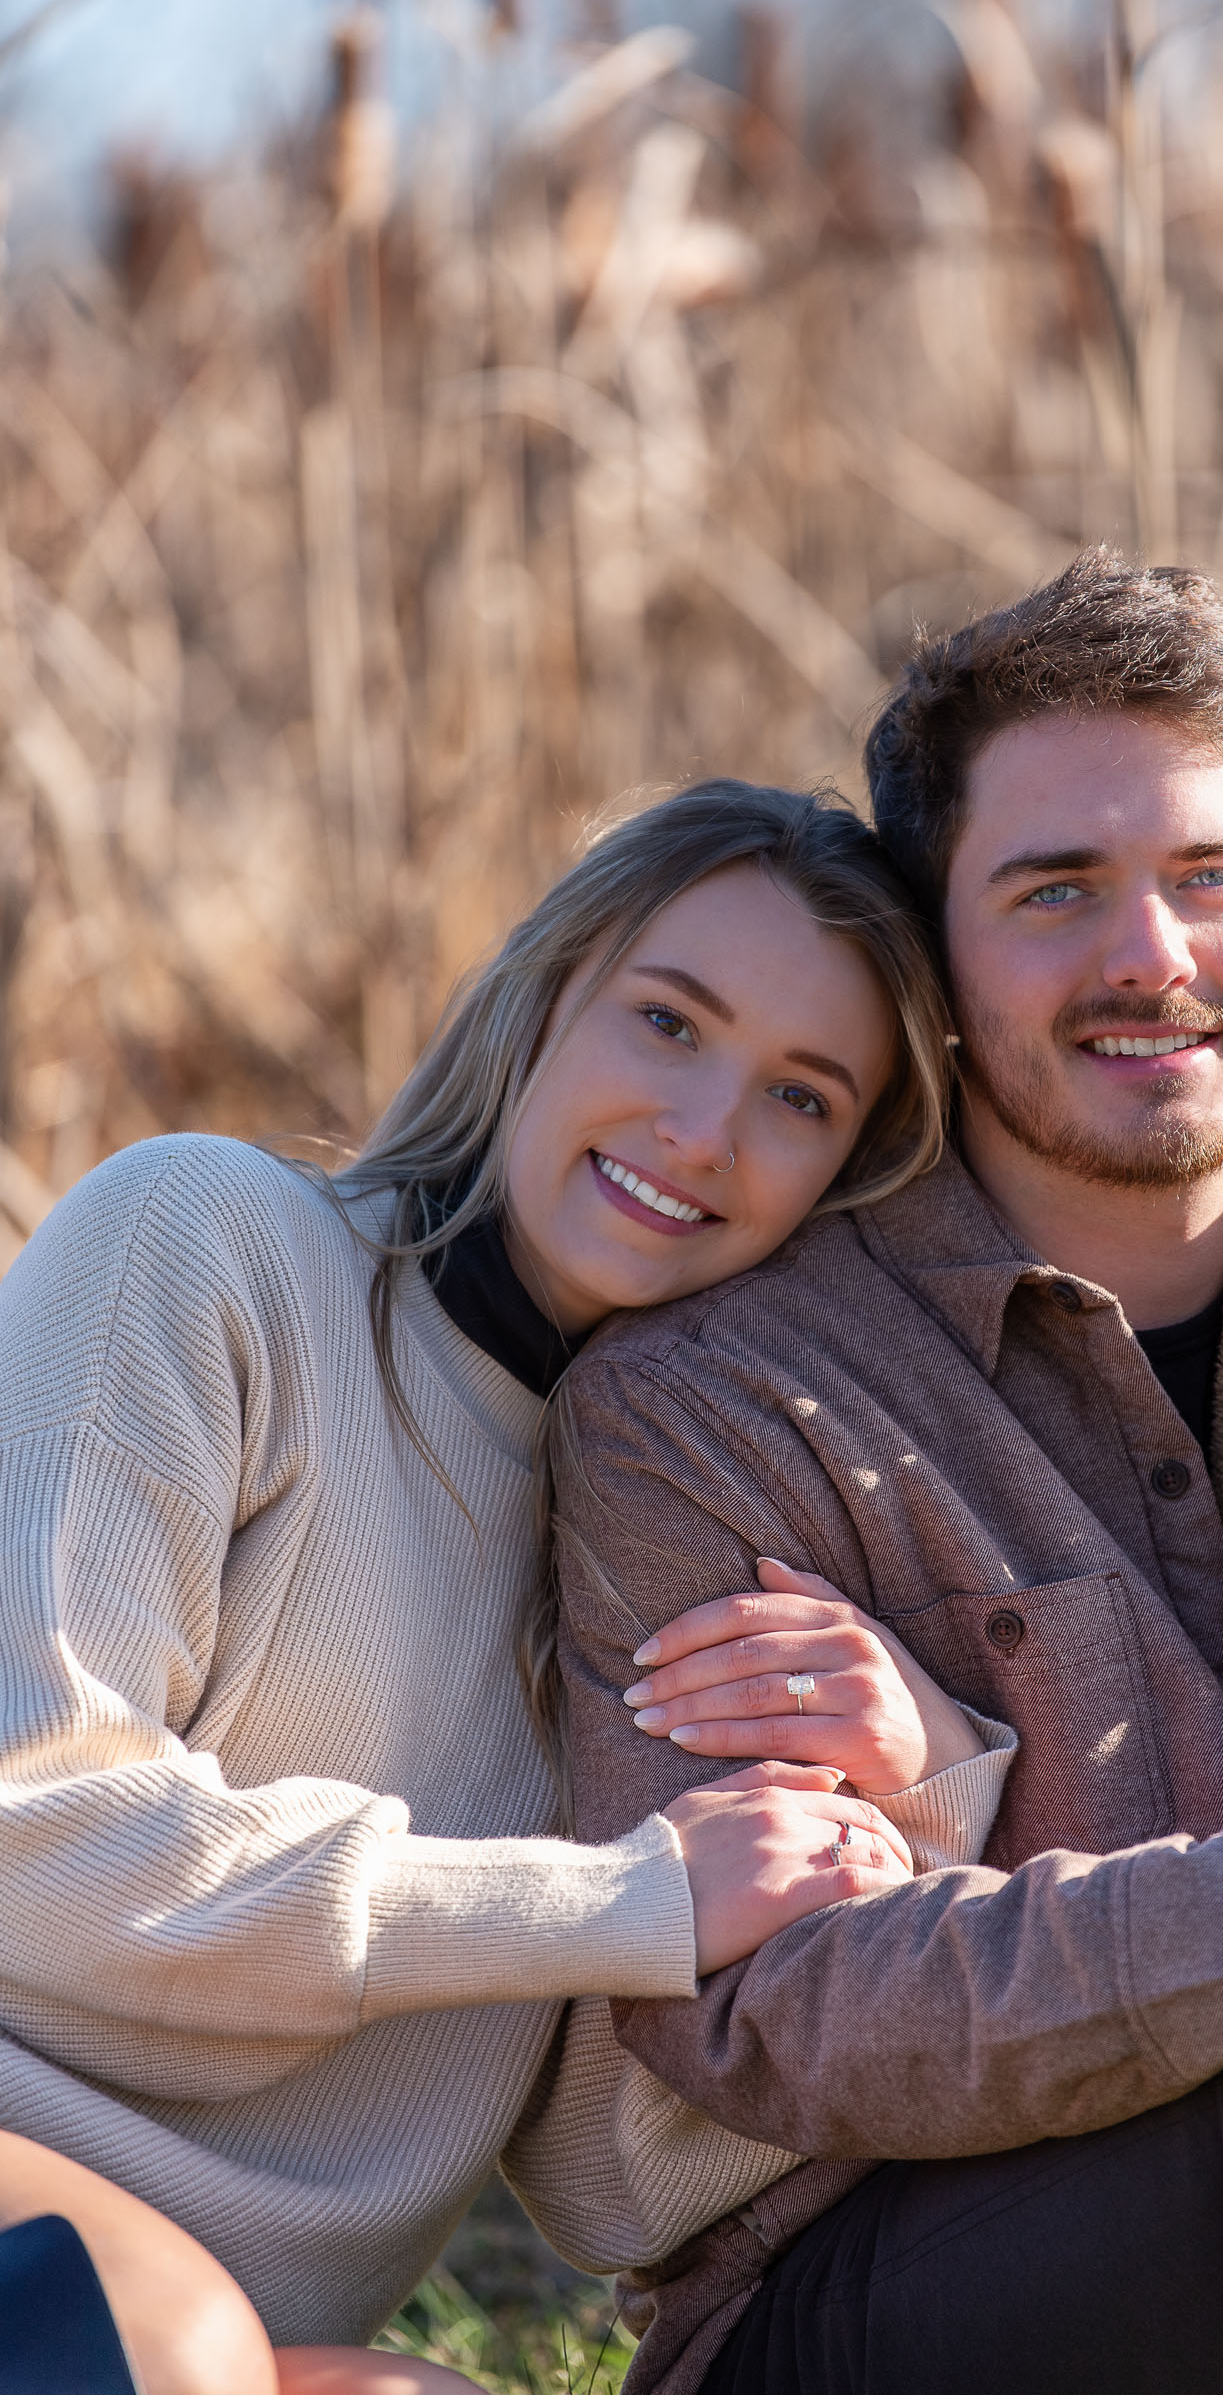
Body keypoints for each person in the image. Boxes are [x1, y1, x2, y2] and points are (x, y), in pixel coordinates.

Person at [550, 553, 1223, 2395]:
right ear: (936, 963)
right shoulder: (715, 1396)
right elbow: (768, 2008)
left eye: (1206, 879)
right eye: (1054, 890)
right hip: (886, 2307)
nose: (1145, 955)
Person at [0, 780, 1021, 2395]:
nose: (702, 1131)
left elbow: (609, 2185)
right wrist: (625, 1898)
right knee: (165, 2340)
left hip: (234, 2341)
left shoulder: (662, 1549)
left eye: (800, 1100)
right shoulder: (207, 1245)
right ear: (546, 998)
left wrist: (923, 1790)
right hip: (112, 2283)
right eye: (670, 1023)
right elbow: (27, 1839)